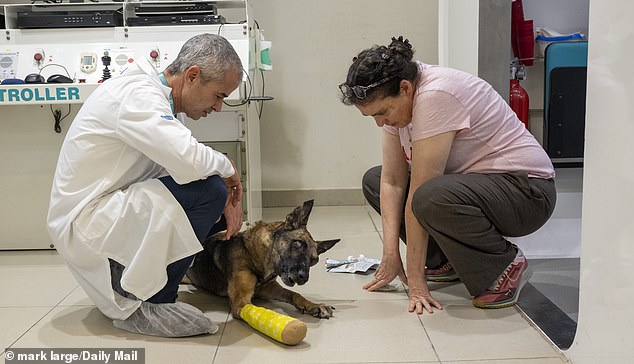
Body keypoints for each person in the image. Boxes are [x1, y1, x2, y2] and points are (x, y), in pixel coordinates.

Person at [339, 36, 556, 315]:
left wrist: (416, 281)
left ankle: (504, 265)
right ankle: (445, 260)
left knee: (429, 196)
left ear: (405, 89)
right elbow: (392, 181)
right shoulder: (399, 101)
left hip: (527, 192)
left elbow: (421, 188)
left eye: (382, 113)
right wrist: (391, 255)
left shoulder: (436, 94)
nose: (380, 123)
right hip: (479, 187)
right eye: (372, 117)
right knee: (374, 179)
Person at [47, 33, 245, 337]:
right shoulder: (137, 96)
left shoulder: (154, 98)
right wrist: (230, 172)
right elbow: (188, 158)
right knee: (211, 194)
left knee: (211, 192)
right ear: (192, 76)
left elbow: (183, 161)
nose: (218, 107)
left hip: (107, 208)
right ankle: (151, 300)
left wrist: (224, 185)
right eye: (219, 95)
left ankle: (150, 278)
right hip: (88, 224)